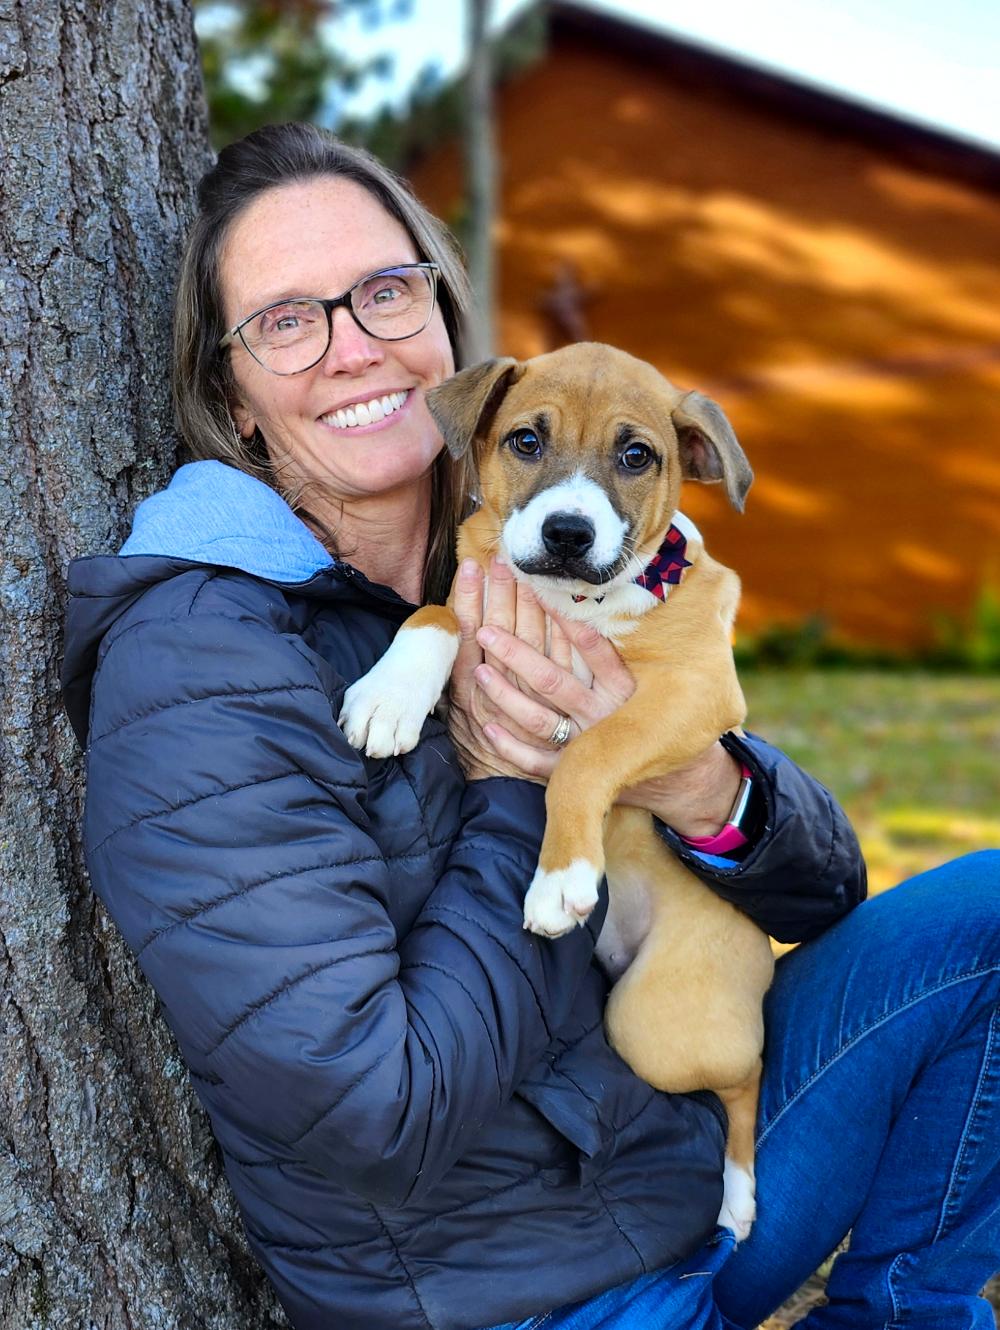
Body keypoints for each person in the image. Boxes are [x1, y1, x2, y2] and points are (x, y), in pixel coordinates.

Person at [61, 122, 999, 1330]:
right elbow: (373, 1113)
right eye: (287, 321)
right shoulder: (200, 666)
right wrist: (514, 780)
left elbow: (822, 893)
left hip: (677, 1163)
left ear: (444, 321)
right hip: (524, 1285)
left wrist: (694, 786)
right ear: (232, 398)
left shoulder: (539, 539)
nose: (354, 345)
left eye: (384, 291)